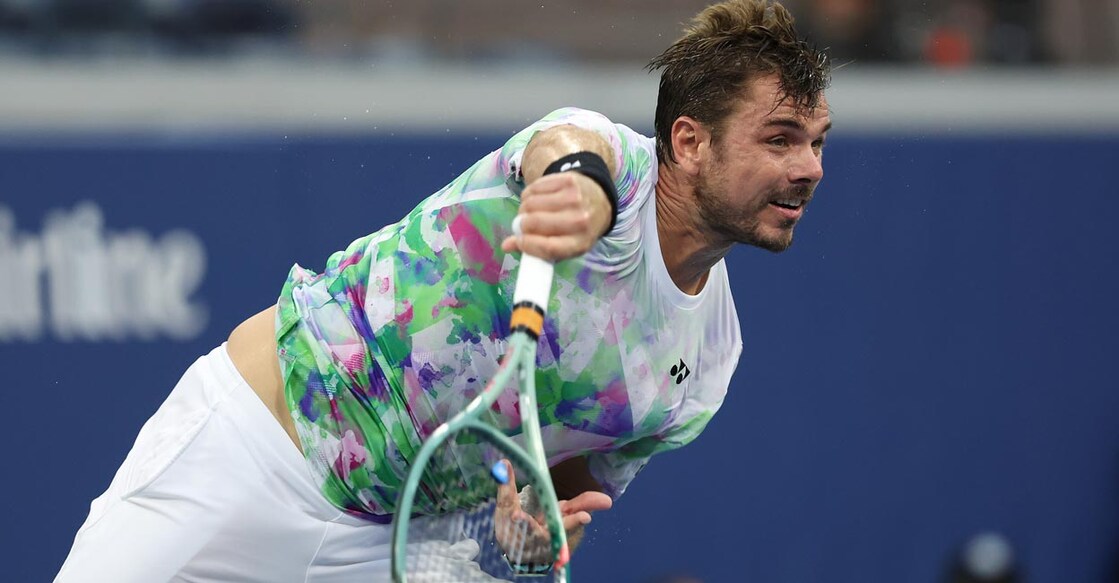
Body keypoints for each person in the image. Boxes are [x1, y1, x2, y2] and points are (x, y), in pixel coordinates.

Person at [54, 0, 831, 580]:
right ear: (688, 142)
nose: (808, 168)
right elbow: (566, 157)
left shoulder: (707, 361)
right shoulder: (601, 155)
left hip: (403, 542)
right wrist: (581, 199)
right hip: (253, 451)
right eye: (779, 138)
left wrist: (534, 527)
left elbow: (555, 481)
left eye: (815, 142)